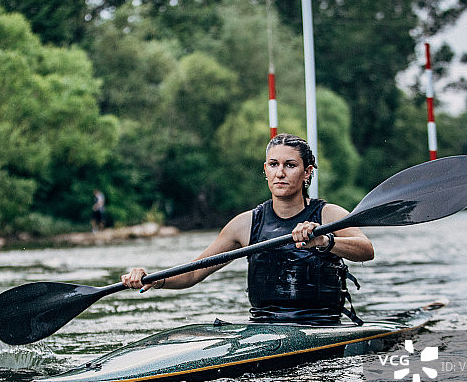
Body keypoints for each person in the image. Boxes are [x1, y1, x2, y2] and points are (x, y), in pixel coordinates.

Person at [121, 133, 374, 325]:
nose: (280, 173)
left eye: (290, 165)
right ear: (265, 170)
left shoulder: (329, 214)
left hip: (321, 325)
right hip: (264, 328)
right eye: (273, 165)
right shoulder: (245, 224)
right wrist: (152, 279)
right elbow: (193, 273)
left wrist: (325, 241)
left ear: (307, 172)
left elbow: (366, 250)